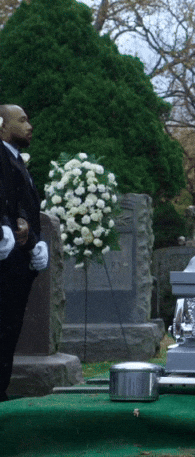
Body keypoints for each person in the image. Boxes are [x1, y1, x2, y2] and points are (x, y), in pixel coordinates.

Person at [0, 104, 49, 402]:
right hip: (5, 265)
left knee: (9, 332)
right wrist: (4, 226)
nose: (29, 125)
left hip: (18, 264)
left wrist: (36, 241)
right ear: (3, 125)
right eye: (22, 120)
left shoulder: (14, 159)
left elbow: (24, 209)